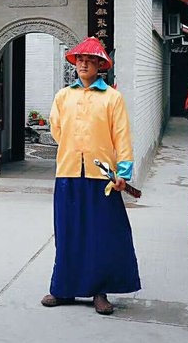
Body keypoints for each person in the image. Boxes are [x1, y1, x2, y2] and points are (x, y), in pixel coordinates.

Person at [41, 37, 140, 315]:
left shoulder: (112, 98)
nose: (83, 64)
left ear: (100, 65)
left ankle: (99, 290)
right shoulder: (63, 96)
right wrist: (75, 148)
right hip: (68, 173)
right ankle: (64, 288)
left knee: (101, 234)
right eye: (80, 60)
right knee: (68, 232)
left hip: (102, 178)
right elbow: (57, 130)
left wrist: (123, 172)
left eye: (90, 60)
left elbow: (122, 136)